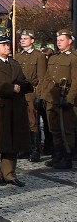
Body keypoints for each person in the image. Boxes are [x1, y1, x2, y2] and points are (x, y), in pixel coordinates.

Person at [0, 33, 31, 187]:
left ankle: (9, 174)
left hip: (15, 108)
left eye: (8, 44)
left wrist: (22, 86)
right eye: (4, 45)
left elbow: (24, 81)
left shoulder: (14, 64)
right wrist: (10, 88)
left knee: (12, 142)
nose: (7, 47)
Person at [39, 29, 77, 169]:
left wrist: (69, 99)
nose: (59, 42)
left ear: (70, 41)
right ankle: (58, 156)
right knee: (54, 129)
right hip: (52, 98)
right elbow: (47, 78)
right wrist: (42, 96)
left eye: (62, 40)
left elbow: (76, 80)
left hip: (65, 98)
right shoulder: (54, 58)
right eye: (58, 40)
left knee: (66, 129)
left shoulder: (73, 58)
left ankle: (67, 157)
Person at [13, 29, 47, 162]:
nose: (22, 41)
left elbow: (42, 78)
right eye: (21, 39)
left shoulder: (38, 56)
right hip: (19, 93)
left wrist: (39, 96)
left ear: (32, 41)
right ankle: (24, 148)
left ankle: (35, 150)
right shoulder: (18, 56)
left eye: (25, 38)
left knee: (33, 122)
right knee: (21, 122)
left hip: (31, 93)